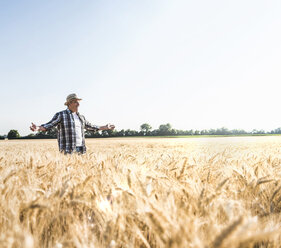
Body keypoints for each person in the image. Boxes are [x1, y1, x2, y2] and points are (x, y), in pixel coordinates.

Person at [30, 93, 115, 154]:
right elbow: (49, 125)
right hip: (67, 150)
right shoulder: (61, 115)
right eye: (75, 102)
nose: (78, 104)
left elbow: (91, 127)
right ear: (69, 103)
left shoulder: (81, 117)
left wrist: (106, 127)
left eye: (78, 102)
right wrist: (37, 128)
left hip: (81, 149)